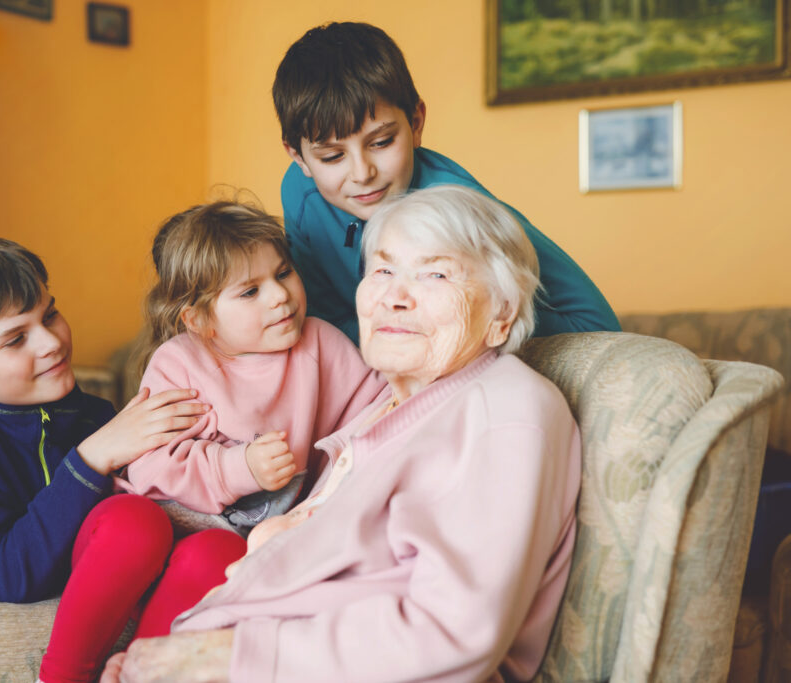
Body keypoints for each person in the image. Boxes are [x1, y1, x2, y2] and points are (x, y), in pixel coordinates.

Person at [105, 185, 584, 683]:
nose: (394, 297)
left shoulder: (504, 408)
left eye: (436, 274)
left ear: (502, 315)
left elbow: (453, 631)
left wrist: (221, 657)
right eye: (383, 269)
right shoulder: (388, 415)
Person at [0, 231, 211, 683]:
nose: (51, 341)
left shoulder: (93, 415)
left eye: (50, 314)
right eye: (15, 339)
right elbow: (4, 576)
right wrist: (93, 457)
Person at [274, 21, 620, 344]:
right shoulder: (300, 193)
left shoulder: (461, 206)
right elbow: (323, 319)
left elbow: (597, 326)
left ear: (416, 122)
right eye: (332, 157)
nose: (362, 174)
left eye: (381, 143)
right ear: (299, 158)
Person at [117, 201, 388, 527]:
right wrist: (239, 468)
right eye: (250, 291)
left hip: (279, 530)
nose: (279, 295)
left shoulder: (321, 343)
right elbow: (151, 466)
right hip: (182, 525)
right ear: (200, 320)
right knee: (186, 554)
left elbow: (381, 411)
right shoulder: (178, 364)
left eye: (284, 273)